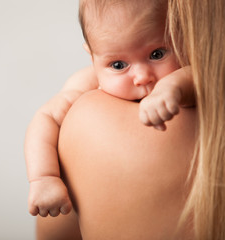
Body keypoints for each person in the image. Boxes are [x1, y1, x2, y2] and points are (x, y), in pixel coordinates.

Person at [37, 0, 225, 239]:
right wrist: (43, 177)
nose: (142, 77)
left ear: (180, 35)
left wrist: (171, 87)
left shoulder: (87, 118)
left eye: (157, 54)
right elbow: (46, 117)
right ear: (92, 57)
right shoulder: (84, 84)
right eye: (118, 65)